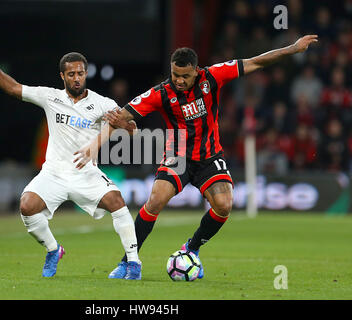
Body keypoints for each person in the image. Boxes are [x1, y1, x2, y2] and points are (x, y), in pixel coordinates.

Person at [74, 35, 319, 279]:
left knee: (224, 206)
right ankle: (129, 261)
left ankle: (191, 249)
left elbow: (255, 62)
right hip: (177, 154)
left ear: (196, 71)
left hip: (209, 156)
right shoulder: (160, 93)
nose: (179, 81)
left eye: (185, 76)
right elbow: (121, 117)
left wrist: (292, 49)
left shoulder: (213, 76)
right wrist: (93, 146)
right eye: (175, 75)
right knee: (156, 200)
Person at [0, 51, 142, 279]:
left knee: (117, 201)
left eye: (81, 73)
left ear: (86, 74)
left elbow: (133, 129)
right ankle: (54, 250)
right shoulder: (50, 97)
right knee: (27, 206)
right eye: (71, 74)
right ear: (62, 76)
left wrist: (122, 122)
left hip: (86, 173)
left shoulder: (103, 103)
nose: (77, 78)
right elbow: (14, 88)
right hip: (54, 173)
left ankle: (133, 263)